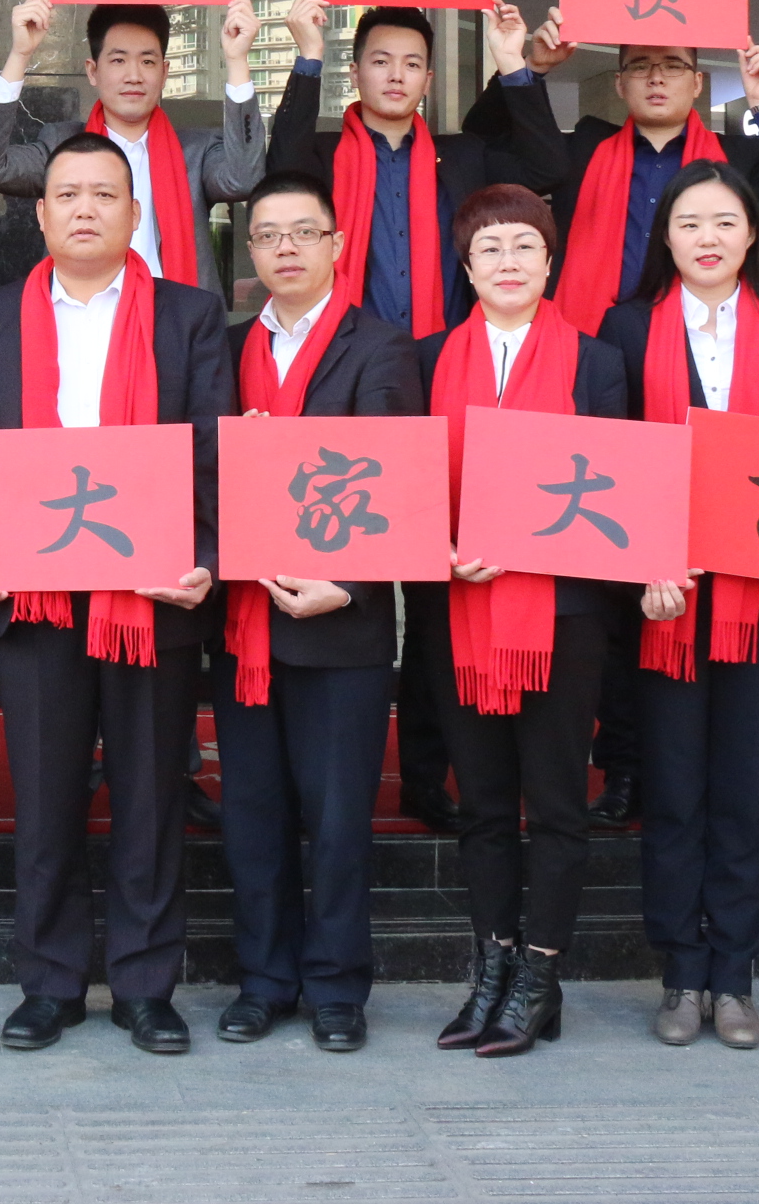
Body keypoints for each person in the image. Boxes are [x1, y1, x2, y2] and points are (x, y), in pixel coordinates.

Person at [483, 27, 759, 829]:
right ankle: (626, 766)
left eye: (674, 65)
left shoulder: (736, 173)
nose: (657, 79)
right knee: (621, 627)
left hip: (749, 517)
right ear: (619, 84)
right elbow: (531, 161)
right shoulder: (588, 153)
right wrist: (520, 68)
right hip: (610, 375)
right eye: (640, 67)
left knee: (734, 735)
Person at [0, 131, 229, 1055]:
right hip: (34, 593)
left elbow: (211, 445)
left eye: (104, 194)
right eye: (67, 193)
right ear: (38, 214)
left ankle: (146, 986)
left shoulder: (189, 315)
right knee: (46, 797)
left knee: (150, 797)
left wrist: (203, 556)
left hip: (150, 591)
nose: (84, 209)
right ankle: (51, 983)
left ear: (133, 213)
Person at [266, 0, 563, 838]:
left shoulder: (462, 156)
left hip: (444, 377)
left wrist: (515, 64)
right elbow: (278, 166)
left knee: (436, 591)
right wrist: (306, 57)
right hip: (347, 381)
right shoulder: (324, 152)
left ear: (429, 79)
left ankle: (428, 775)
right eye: (379, 60)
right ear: (356, 71)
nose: (395, 76)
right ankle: (329, 774)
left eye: (410, 63)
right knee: (349, 573)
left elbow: (548, 166)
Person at [594, 162, 759, 1049]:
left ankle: (733, 975)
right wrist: (642, 566)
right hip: (662, 600)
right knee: (673, 788)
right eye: (689, 222)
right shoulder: (625, 329)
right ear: (665, 236)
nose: (707, 238)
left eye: (725, 222)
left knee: (743, 786)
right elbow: (613, 464)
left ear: (752, 234)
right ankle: (680, 972)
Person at [212, 170, 422, 1054]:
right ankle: (264, 981)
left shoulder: (381, 348)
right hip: (244, 623)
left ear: (337, 245)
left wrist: (356, 583)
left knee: (338, 823)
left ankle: (336, 986)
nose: (286, 248)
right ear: (251, 252)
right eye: (268, 235)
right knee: (253, 817)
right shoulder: (224, 347)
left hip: (342, 624)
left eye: (304, 232)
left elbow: (399, 483)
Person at [418, 183, 628, 1057]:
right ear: (466, 269)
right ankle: (492, 968)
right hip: (459, 607)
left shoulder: (597, 363)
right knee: (483, 803)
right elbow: (407, 481)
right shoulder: (427, 359)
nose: (508, 262)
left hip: (563, 614)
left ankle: (540, 977)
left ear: (550, 261)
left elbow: (618, 484)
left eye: (524, 246)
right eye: (489, 248)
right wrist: (439, 546)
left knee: (557, 801)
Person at [0, 0, 262, 293]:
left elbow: (244, 179)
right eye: (118, 60)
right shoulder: (63, 147)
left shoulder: (196, 151)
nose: (134, 76)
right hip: (81, 311)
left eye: (147, 61)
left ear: (164, 73)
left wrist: (236, 60)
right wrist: (20, 54)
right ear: (93, 71)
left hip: (175, 315)